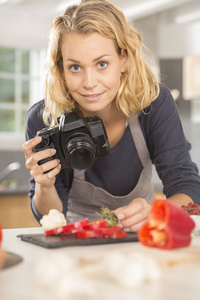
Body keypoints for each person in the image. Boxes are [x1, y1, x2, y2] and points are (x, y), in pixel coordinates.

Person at [23, 0, 200, 232]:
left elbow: (187, 185)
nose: (89, 83)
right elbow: (50, 217)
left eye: (102, 64)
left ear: (123, 60)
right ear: (61, 69)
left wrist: (156, 212)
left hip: (142, 233)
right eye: (75, 67)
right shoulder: (44, 118)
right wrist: (44, 185)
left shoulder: (152, 102)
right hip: (80, 238)